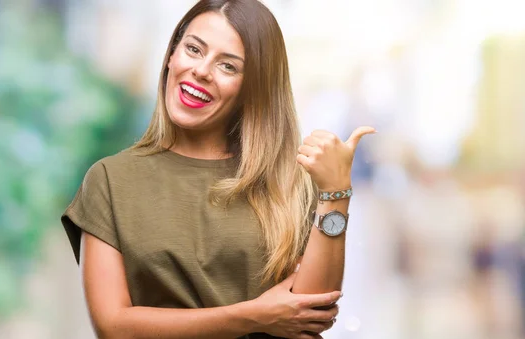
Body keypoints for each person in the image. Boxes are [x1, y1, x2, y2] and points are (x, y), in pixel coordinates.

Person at [60, 1, 375, 338]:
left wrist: (336, 193)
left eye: (227, 66)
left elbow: (311, 315)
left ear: (252, 87)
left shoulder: (289, 182)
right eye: (193, 49)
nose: (201, 70)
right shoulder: (110, 180)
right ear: (171, 55)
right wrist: (253, 316)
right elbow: (114, 327)